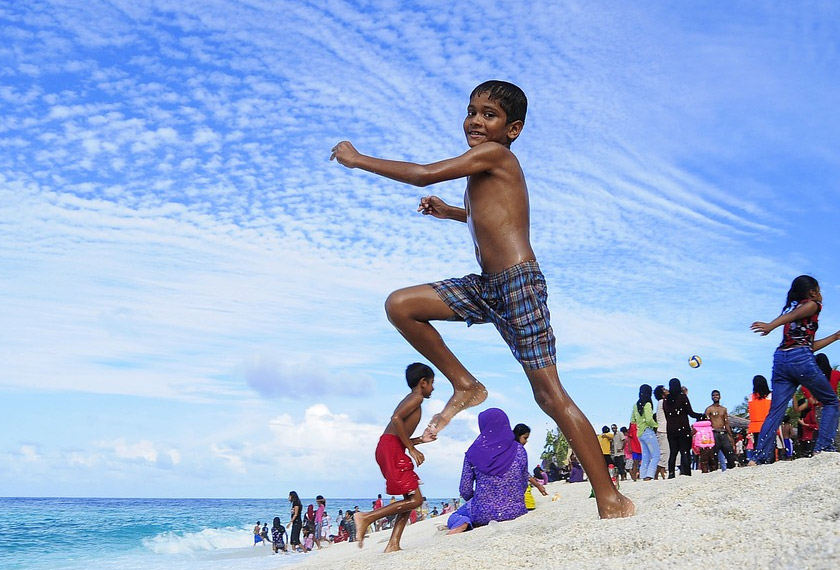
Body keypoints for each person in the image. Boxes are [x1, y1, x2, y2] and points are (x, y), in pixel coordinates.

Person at [331, 80, 633, 519]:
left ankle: (610, 497)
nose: (475, 120)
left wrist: (357, 160)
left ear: (513, 129)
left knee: (549, 395)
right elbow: (491, 217)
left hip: (517, 285)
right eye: (471, 110)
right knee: (401, 305)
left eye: (488, 114)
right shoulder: (482, 168)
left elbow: (423, 172)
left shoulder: (496, 155)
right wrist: (451, 212)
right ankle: (465, 384)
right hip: (485, 287)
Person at [750, 275, 840, 464]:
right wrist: (770, 326)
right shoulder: (813, 304)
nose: (821, 295)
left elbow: (808, 345)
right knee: (831, 401)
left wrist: (834, 337)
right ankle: (823, 447)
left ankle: (760, 457)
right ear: (812, 292)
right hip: (800, 360)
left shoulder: (795, 309)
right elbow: (792, 326)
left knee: (775, 411)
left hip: (782, 359)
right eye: (819, 290)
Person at [352, 362, 436, 552]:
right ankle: (366, 517)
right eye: (432, 383)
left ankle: (393, 544)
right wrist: (412, 450)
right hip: (391, 448)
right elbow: (395, 419)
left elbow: (398, 436)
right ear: (423, 382)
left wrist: (420, 440)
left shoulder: (412, 398)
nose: (433, 387)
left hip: (389, 447)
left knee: (409, 497)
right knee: (416, 500)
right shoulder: (416, 398)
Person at [446, 408, 529, 533]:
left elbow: (465, 490)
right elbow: (523, 483)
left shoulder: (473, 452)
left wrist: (483, 499)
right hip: (517, 511)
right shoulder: (520, 450)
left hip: (483, 513)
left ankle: (464, 523)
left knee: (454, 516)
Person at [663, 377, 702, 477]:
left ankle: (671, 474)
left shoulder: (666, 400)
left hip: (671, 429)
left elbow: (667, 415)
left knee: (673, 452)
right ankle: (687, 473)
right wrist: (701, 416)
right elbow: (691, 413)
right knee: (685, 451)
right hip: (683, 428)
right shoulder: (682, 397)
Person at [513, 423, 548, 509]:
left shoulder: (510, 449)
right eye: (525, 438)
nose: (526, 441)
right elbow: (524, 473)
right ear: (517, 435)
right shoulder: (518, 450)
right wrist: (538, 485)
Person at [630, 384, 659, 481]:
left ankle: (643, 475)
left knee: (645, 455)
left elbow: (633, 420)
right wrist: (656, 425)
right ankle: (649, 475)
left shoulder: (635, 405)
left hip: (640, 433)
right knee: (656, 455)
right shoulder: (648, 404)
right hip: (648, 431)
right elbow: (649, 419)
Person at [705, 390, 737, 470]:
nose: (715, 396)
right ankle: (713, 470)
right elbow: (707, 423)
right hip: (714, 433)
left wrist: (730, 436)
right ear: (711, 397)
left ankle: (731, 469)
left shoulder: (723, 409)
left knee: (729, 453)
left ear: (720, 396)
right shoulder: (709, 409)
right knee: (713, 455)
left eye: (717, 395)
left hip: (723, 433)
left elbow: (726, 423)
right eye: (714, 395)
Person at [747, 375, 772, 459]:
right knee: (770, 446)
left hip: (756, 427)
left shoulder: (750, 397)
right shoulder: (771, 396)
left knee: (758, 447)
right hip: (768, 425)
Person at [654, 385, 670, 480]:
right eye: (664, 389)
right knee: (665, 453)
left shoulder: (662, 402)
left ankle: (661, 472)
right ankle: (656, 474)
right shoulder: (662, 402)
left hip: (664, 430)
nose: (667, 390)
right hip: (663, 430)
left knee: (665, 452)